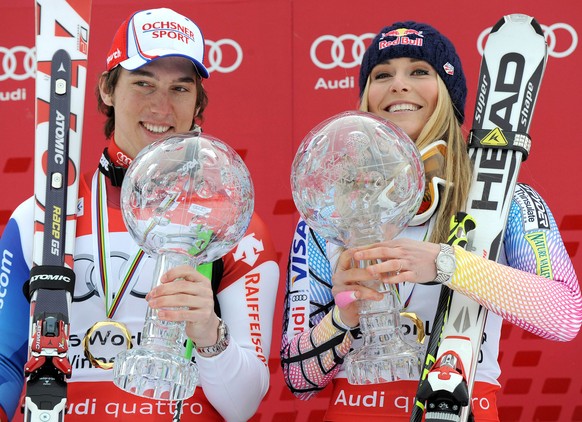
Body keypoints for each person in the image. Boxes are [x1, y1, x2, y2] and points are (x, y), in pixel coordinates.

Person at [280, 21, 582, 421]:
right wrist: (344, 317)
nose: (398, 85)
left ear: (448, 93)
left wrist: (446, 263)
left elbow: (564, 316)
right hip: (357, 409)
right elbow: (299, 379)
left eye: (419, 71)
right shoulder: (326, 216)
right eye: (382, 75)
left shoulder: (506, 201)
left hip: (460, 406)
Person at [0, 7, 279, 422]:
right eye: (143, 83)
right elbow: (6, 363)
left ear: (198, 100)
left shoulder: (232, 225)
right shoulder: (41, 218)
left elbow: (243, 407)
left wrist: (208, 334)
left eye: (180, 89)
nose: (161, 106)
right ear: (107, 90)